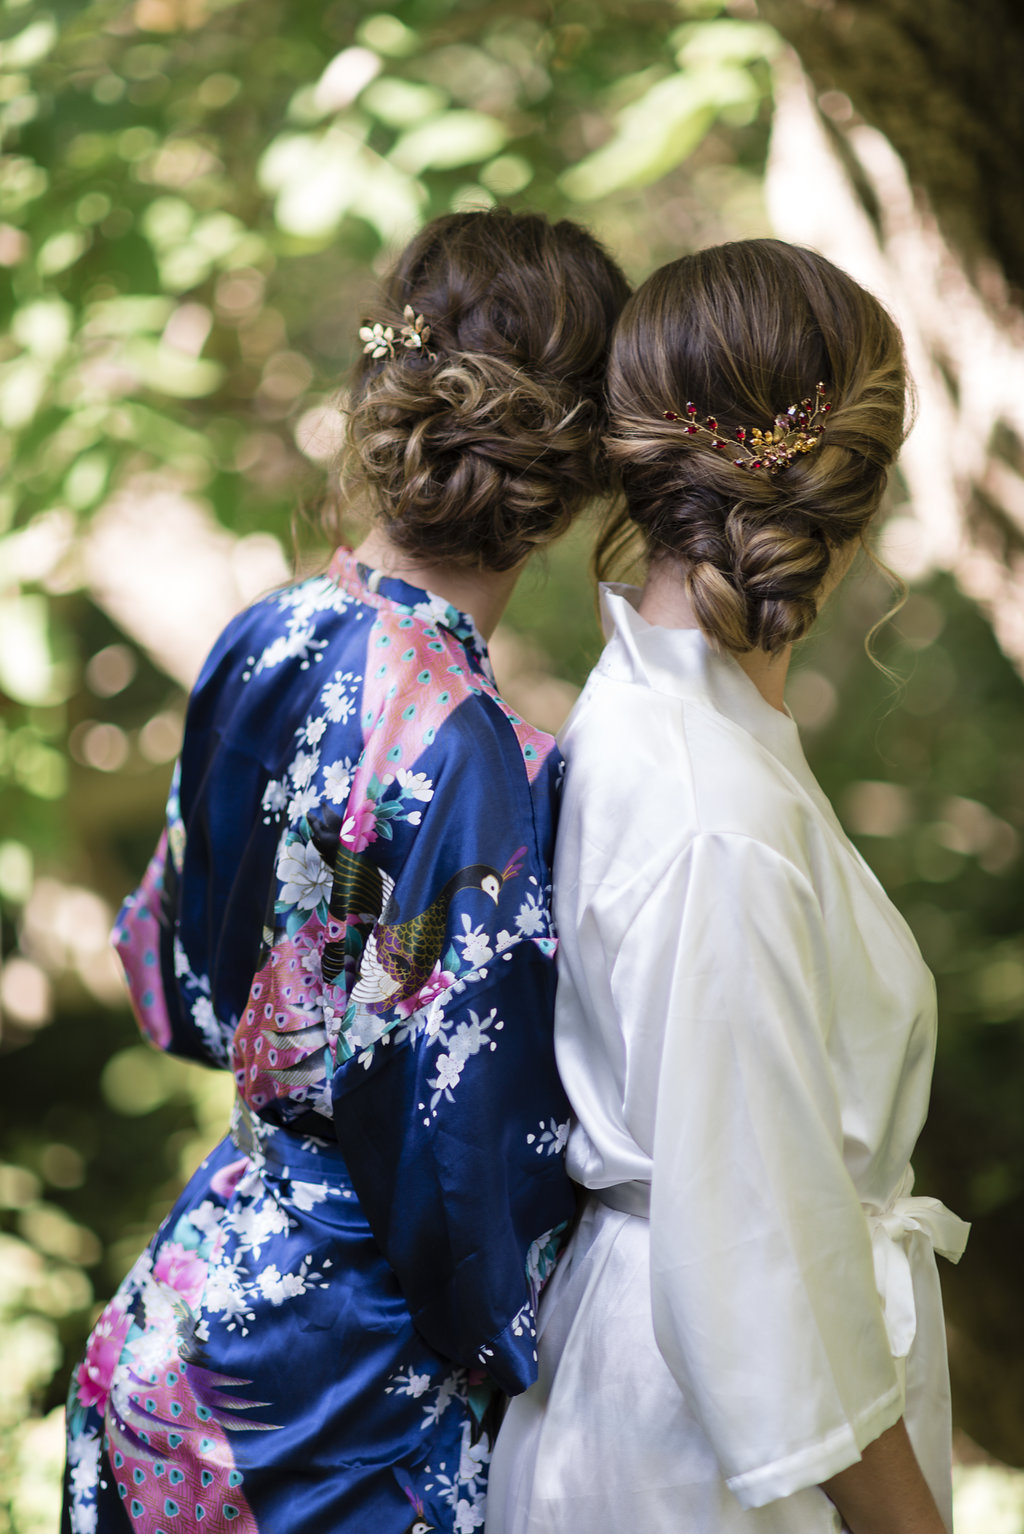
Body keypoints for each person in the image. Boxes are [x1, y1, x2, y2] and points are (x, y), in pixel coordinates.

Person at [62, 208, 630, 1534]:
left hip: (180, 1335)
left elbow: (183, 988)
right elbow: (468, 1193)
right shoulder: (481, 760)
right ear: (581, 473)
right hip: (325, 1406)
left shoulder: (266, 634)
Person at [486, 239, 969, 1534]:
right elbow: (757, 1247)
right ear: (862, 486)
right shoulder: (719, 816)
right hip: (718, 1458)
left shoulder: (667, 714)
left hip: (675, 1400)